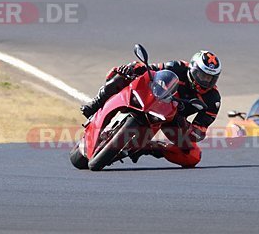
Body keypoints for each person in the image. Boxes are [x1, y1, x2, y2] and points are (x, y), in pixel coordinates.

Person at [80, 51, 222, 168]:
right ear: (192, 69)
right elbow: (151, 70)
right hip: (154, 97)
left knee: (193, 157)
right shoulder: (177, 66)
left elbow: (199, 132)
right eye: (202, 75)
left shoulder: (213, 100)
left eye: (210, 78)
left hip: (172, 119)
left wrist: (187, 127)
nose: (205, 81)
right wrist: (133, 68)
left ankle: (150, 147)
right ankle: (95, 104)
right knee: (120, 75)